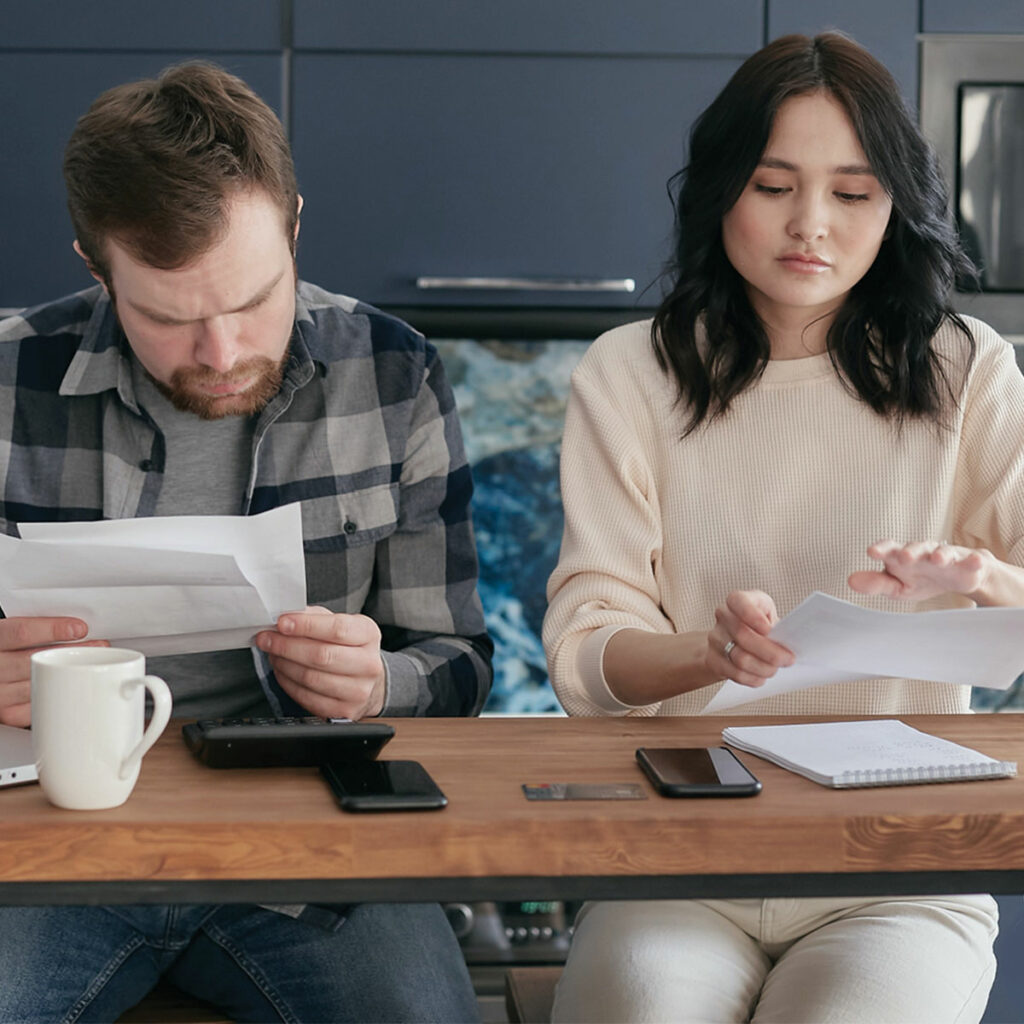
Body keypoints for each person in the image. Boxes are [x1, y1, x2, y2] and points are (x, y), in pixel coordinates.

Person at [543, 32, 1024, 1024]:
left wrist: (976, 581)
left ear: (893, 205)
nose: (811, 224)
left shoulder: (968, 370)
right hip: (679, 853)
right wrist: (704, 653)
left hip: (900, 868)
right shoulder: (627, 374)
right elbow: (586, 654)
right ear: (720, 187)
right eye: (772, 185)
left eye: (851, 193)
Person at [0, 62, 492, 1023]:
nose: (221, 356)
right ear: (95, 268)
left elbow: (464, 664)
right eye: (169, 317)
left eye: (255, 298)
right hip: (48, 835)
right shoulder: (5, 378)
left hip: (312, 844)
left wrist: (378, 683)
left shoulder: (393, 374)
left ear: (295, 225)